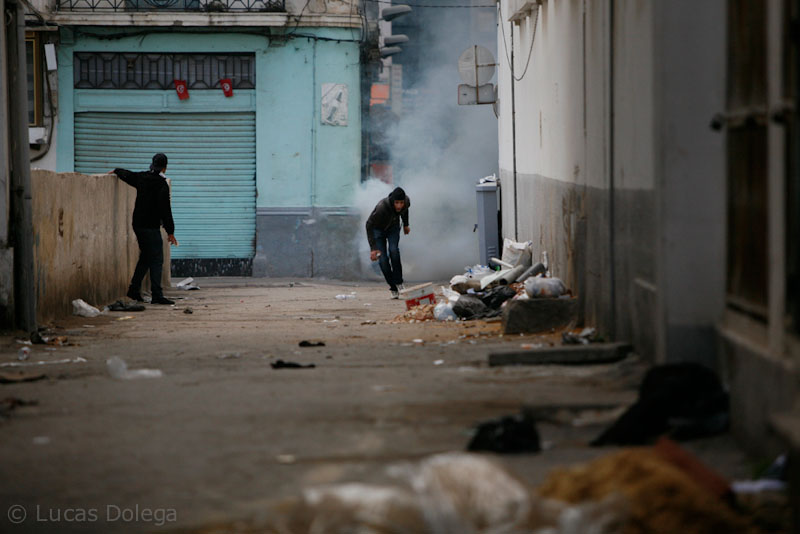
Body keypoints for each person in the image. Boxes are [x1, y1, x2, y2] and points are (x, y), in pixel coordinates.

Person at [112, 153, 178, 305]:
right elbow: (165, 210)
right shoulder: (161, 184)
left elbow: (128, 175)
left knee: (146, 257)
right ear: (164, 168)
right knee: (156, 259)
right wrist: (170, 231)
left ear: (152, 165)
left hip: (138, 224)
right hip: (150, 226)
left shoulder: (142, 178)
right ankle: (157, 295)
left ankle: (134, 290)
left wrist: (116, 170)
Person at [366, 187, 410, 299]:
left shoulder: (406, 202)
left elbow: (404, 211)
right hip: (378, 231)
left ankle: (399, 282)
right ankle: (393, 288)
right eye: (397, 203)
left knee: (394, 251)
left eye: (401, 202)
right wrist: (373, 248)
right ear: (392, 201)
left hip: (393, 229)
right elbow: (369, 225)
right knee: (383, 260)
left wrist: (405, 224)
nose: (399, 206)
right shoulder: (382, 207)